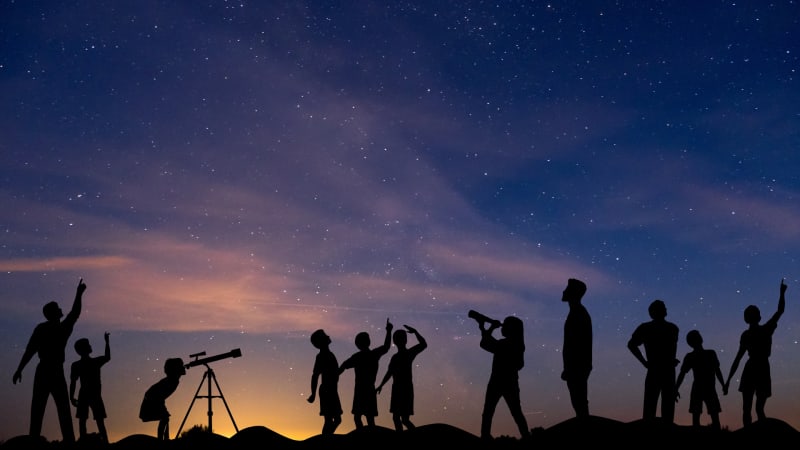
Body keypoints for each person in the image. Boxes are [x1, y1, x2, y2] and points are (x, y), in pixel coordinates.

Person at [13, 278, 87, 443]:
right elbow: (75, 313)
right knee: (60, 409)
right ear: (53, 313)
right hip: (53, 370)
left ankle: (36, 439)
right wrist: (79, 294)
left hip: (46, 370)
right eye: (58, 308)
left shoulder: (45, 329)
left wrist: (20, 369)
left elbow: (30, 350)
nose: (61, 309)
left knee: (40, 408)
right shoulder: (60, 329)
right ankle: (68, 441)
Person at [724, 279, 787, 426]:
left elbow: (738, 359)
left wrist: (728, 380)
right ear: (758, 316)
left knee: (747, 409)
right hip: (761, 368)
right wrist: (782, 293)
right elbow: (780, 311)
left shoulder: (748, 335)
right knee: (758, 409)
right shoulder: (765, 330)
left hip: (752, 368)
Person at [473, 313, 530, 440]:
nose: (503, 327)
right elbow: (487, 343)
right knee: (514, 412)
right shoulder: (516, 344)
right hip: (507, 382)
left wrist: (488, 328)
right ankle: (526, 436)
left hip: (500, 381)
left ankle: (485, 436)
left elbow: (486, 343)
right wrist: (485, 328)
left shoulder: (507, 344)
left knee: (489, 412)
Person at [627, 299, 680, 423]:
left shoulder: (647, 328)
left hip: (658, 370)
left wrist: (645, 362)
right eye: (663, 308)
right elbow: (631, 345)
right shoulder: (672, 328)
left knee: (653, 406)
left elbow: (632, 344)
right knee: (665, 407)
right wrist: (645, 362)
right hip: (665, 371)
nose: (666, 310)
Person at [339, 318, 394, 429]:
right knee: (370, 418)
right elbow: (386, 347)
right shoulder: (373, 354)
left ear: (357, 344)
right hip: (369, 389)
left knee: (358, 417)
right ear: (368, 342)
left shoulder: (357, 357)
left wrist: (335, 375)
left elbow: (344, 365)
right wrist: (388, 331)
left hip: (360, 390)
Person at [376, 324, 427, 432]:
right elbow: (389, 372)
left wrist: (416, 332)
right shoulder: (401, 355)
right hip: (399, 388)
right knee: (400, 419)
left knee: (401, 419)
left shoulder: (407, 354)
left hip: (403, 389)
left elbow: (423, 345)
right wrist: (381, 385)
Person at [675, 330, 725, 429]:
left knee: (700, 416)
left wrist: (676, 388)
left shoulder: (693, 356)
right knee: (710, 416)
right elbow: (717, 371)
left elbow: (682, 374)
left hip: (702, 388)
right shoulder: (709, 354)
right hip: (705, 388)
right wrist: (723, 385)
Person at [69, 332, 111, 443]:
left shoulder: (77, 365)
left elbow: (73, 382)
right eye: (89, 345)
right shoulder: (94, 362)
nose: (91, 346)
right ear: (84, 349)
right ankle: (105, 442)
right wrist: (107, 342)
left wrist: (71, 397)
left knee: (84, 421)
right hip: (93, 395)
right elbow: (107, 357)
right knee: (97, 421)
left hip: (86, 394)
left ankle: (86, 441)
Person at [561, 278, 592, 418]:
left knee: (579, 401)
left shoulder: (578, 313)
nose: (563, 291)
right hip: (577, 366)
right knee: (578, 401)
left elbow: (577, 344)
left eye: (567, 289)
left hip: (577, 366)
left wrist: (570, 367)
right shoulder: (577, 312)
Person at [139, 358, 186, 440]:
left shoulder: (173, 380)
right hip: (152, 400)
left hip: (154, 399)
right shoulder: (171, 381)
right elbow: (159, 395)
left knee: (165, 418)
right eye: (181, 366)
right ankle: (161, 439)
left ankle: (163, 438)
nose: (183, 368)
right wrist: (162, 407)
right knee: (165, 417)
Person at [307, 329, 343, 435]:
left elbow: (333, 373)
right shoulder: (321, 356)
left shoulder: (328, 354)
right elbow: (315, 375)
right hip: (327, 390)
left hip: (331, 389)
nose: (328, 336)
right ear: (321, 341)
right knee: (329, 420)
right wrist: (313, 394)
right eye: (325, 336)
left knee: (336, 420)